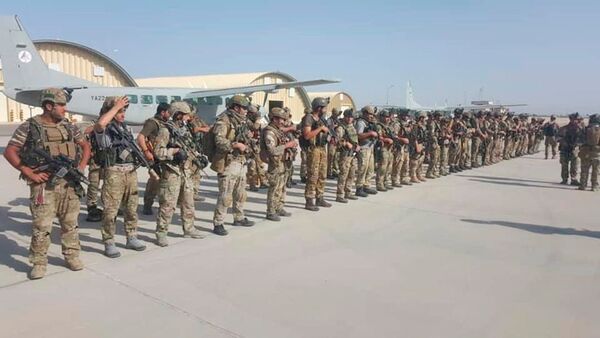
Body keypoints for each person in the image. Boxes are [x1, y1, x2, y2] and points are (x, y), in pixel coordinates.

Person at [4, 88, 91, 279]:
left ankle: (72, 256)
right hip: (43, 186)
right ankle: (39, 262)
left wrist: (82, 166)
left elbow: (85, 145)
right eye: (61, 105)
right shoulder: (30, 127)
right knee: (41, 226)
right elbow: (10, 151)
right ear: (49, 106)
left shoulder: (69, 126)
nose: (64, 109)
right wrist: (27, 172)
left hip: (69, 183)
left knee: (70, 224)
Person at [93, 96, 146, 257]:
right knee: (110, 211)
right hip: (114, 172)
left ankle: (131, 236)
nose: (123, 114)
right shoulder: (104, 127)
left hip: (130, 172)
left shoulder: (125, 128)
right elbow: (100, 124)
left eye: (124, 111)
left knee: (131, 208)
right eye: (120, 111)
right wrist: (115, 107)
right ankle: (109, 241)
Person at [154, 102, 205, 246]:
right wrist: (173, 152)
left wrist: (198, 157)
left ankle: (189, 228)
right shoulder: (165, 131)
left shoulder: (184, 129)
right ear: (178, 114)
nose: (188, 118)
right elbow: (158, 152)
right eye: (186, 115)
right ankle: (161, 232)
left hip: (186, 171)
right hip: (172, 173)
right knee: (168, 205)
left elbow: (189, 147)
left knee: (188, 202)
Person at [211, 95, 255, 236]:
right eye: (244, 108)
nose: (246, 110)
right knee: (225, 195)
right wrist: (235, 144)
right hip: (228, 162)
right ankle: (218, 222)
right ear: (236, 107)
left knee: (240, 193)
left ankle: (239, 217)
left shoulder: (241, 121)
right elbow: (219, 141)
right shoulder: (223, 121)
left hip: (241, 161)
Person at [262, 108, 298, 221]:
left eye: (283, 119)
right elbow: (272, 150)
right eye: (279, 119)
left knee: (282, 187)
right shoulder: (270, 132)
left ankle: (279, 207)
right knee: (274, 188)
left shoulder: (278, 130)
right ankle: (271, 211)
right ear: (273, 118)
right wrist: (288, 145)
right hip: (275, 164)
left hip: (282, 162)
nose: (282, 121)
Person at [137, 102, 172, 215]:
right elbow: (141, 137)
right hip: (154, 157)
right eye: (168, 112)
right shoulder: (152, 123)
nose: (170, 115)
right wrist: (146, 152)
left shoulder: (165, 123)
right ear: (163, 112)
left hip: (164, 155)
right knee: (154, 181)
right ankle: (148, 204)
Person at [301, 97, 332, 211]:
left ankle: (320, 197)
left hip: (322, 148)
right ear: (319, 108)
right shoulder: (308, 118)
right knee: (313, 175)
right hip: (313, 150)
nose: (326, 109)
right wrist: (320, 129)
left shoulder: (321, 119)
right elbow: (307, 135)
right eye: (324, 107)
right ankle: (309, 200)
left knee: (322, 174)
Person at [335, 109, 361, 202]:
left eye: (351, 117)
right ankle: (340, 195)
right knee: (343, 174)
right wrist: (346, 143)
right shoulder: (341, 128)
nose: (350, 119)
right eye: (348, 117)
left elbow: (355, 138)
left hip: (353, 154)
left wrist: (356, 146)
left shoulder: (352, 127)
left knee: (352, 173)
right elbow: (337, 140)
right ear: (345, 117)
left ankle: (348, 192)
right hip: (345, 154)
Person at [354, 106, 379, 196]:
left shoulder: (370, 123)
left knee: (370, 168)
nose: (371, 116)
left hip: (370, 147)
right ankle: (359, 187)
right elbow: (359, 135)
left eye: (372, 114)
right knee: (363, 168)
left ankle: (366, 185)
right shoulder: (361, 123)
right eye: (369, 114)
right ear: (364, 113)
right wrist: (370, 133)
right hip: (363, 148)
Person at [558, 113, 583, 185]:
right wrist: (564, 142)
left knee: (574, 166)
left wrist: (577, 144)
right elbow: (557, 138)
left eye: (578, 120)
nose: (577, 121)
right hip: (564, 149)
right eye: (576, 119)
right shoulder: (564, 128)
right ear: (571, 119)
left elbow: (583, 139)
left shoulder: (580, 129)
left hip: (574, 150)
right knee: (564, 165)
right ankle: (564, 179)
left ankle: (573, 179)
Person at [578, 114, 600, 191]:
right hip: (596, 153)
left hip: (585, 152)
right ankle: (594, 186)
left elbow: (580, 141)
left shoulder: (585, 129)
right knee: (595, 171)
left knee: (584, 170)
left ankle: (582, 185)